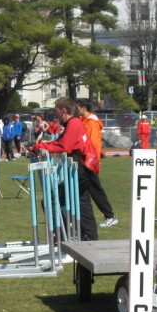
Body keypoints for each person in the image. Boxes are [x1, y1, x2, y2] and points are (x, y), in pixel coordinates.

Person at [31, 97, 98, 241]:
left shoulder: (74, 123)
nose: (55, 115)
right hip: (80, 167)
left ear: (63, 110)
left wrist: (40, 146)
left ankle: (71, 237)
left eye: (56, 111)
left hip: (81, 168)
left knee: (63, 202)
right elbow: (61, 143)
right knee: (74, 203)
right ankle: (74, 236)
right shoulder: (72, 123)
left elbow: (65, 147)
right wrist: (46, 145)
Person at [76, 100, 118, 228]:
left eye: (77, 108)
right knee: (84, 190)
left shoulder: (92, 123)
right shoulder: (84, 121)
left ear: (83, 108)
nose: (76, 110)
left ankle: (110, 215)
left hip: (89, 161)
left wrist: (88, 159)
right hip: (85, 160)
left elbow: (92, 143)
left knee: (95, 189)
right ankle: (81, 216)